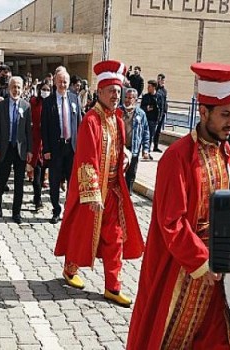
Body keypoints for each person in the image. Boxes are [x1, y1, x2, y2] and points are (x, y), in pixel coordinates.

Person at [127, 62, 230, 349]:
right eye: (224, 115)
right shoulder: (177, 157)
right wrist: (201, 261)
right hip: (185, 272)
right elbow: (172, 222)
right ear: (203, 112)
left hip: (218, 273)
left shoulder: (226, 151)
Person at [53, 60, 144, 307]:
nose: (116, 96)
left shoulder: (116, 119)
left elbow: (119, 146)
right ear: (100, 92)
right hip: (92, 192)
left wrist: (124, 155)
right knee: (82, 233)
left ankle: (112, 287)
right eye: (111, 91)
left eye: (118, 91)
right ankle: (70, 268)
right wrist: (92, 192)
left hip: (113, 189)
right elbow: (86, 158)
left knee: (114, 237)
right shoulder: (91, 120)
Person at [41, 70, 83, 224]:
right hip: (55, 148)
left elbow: (79, 124)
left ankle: (69, 211)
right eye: (60, 81)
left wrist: (80, 147)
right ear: (55, 82)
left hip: (71, 148)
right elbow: (44, 128)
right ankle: (56, 210)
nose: (62, 84)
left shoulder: (74, 98)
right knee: (54, 181)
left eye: (65, 81)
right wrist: (46, 150)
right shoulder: (48, 102)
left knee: (72, 182)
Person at [0, 76, 33, 224]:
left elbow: (29, 130)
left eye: (18, 87)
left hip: (20, 149)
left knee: (19, 183)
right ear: (9, 89)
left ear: (22, 89)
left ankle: (16, 212)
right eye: (13, 87)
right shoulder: (1, 106)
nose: (16, 90)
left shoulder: (26, 106)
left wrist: (30, 150)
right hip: (5, 147)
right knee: (2, 179)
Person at [120, 88, 150, 192]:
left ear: (136, 100)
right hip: (119, 148)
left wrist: (146, 149)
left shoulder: (141, 114)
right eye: (126, 97)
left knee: (131, 174)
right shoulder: (118, 112)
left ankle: (128, 195)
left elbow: (146, 132)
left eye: (131, 98)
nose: (128, 100)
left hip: (133, 149)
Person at [29, 82, 51, 211]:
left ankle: (37, 195)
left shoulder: (52, 104)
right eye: (43, 89)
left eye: (48, 89)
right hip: (36, 142)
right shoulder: (33, 102)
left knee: (43, 174)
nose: (45, 91)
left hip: (47, 143)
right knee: (36, 173)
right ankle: (38, 200)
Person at [154, 73, 169, 152]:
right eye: (159, 79)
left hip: (162, 112)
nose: (161, 81)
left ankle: (155, 146)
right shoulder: (156, 89)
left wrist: (165, 110)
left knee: (158, 130)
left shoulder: (164, 90)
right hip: (156, 112)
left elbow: (164, 101)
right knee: (153, 129)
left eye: (162, 80)